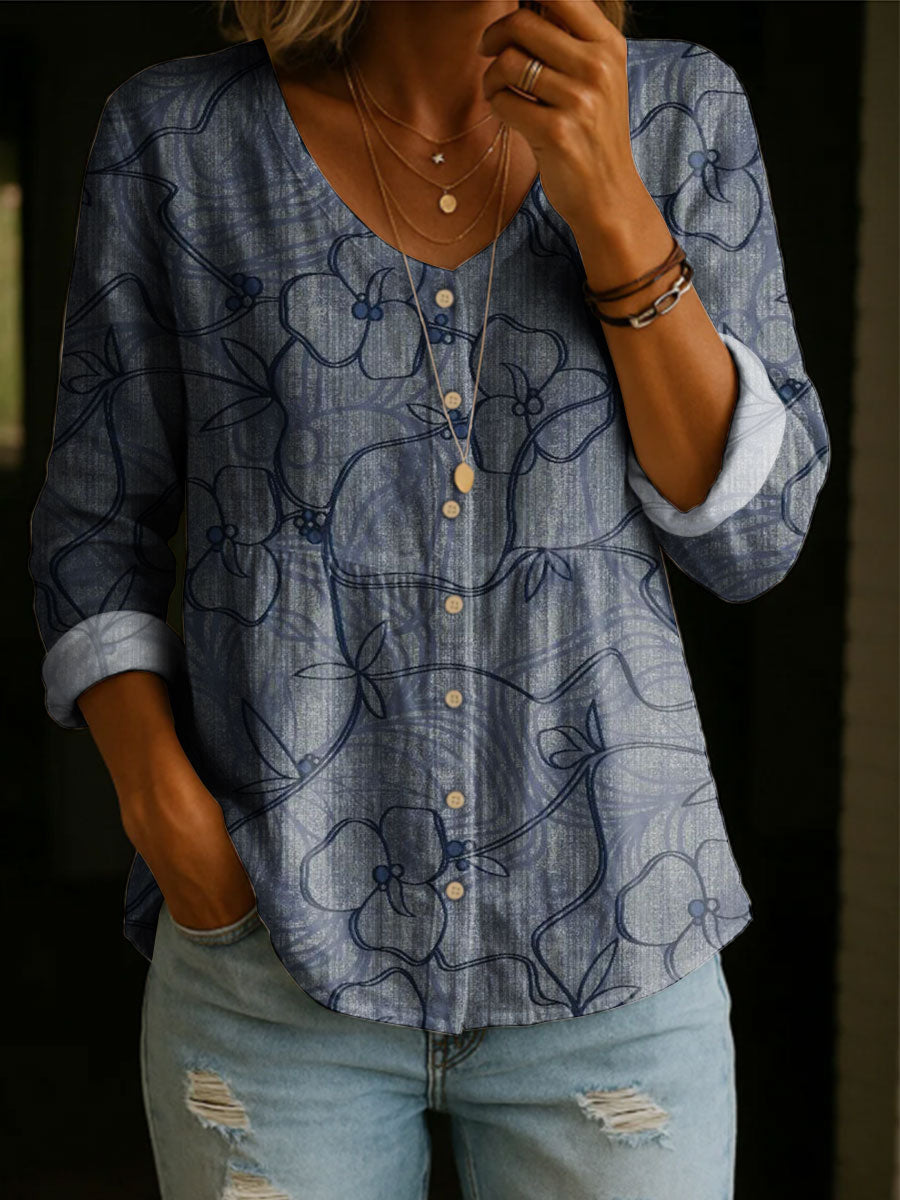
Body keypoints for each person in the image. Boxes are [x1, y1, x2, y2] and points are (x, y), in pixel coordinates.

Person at [27, 1, 831, 1196]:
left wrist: (611, 199)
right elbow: (94, 527)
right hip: (271, 956)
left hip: (619, 950)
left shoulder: (680, 113)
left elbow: (755, 543)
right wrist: (172, 825)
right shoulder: (180, 140)